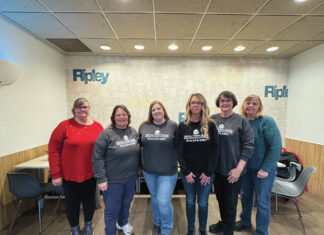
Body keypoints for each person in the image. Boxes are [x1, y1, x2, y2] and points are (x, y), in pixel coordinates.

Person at [48, 98, 103, 235]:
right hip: (69, 175)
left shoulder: (98, 127)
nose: (82, 109)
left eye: (84, 107)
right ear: (74, 110)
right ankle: (75, 229)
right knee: (72, 204)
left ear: (89, 108)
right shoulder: (64, 126)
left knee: (89, 202)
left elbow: (103, 149)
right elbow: (53, 150)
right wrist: (56, 174)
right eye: (79, 107)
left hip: (90, 174)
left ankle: (89, 226)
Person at [234, 95, 282, 235]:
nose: (251, 106)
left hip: (263, 171)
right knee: (245, 196)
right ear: (244, 105)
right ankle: (245, 222)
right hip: (246, 169)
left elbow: (276, 146)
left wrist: (265, 168)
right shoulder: (241, 121)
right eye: (248, 103)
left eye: (254, 103)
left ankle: (261, 231)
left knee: (262, 202)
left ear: (259, 107)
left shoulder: (266, 121)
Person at [209, 91, 254, 235]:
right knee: (220, 200)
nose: (225, 103)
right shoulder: (212, 119)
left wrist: (238, 169)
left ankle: (228, 231)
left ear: (233, 102)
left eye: (228, 100)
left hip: (233, 171)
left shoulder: (241, 120)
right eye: (222, 101)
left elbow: (248, 145)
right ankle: (223, 224)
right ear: (218, 103)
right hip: (217, 170)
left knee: (230, 204)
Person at [92, 105, 140, 235]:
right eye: (118, 115)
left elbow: (138, 152)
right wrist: (101, 179)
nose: (121, 117)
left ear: (128, 117)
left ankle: (123, 223)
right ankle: (110, 231)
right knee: (112, 210)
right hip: (112, 181)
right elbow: (97, 158)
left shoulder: (133, 132)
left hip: (130, 178)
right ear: (113, 118)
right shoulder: (106, 134)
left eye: (124, 114)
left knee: (126, 204)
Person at [176, 93, 219, 235]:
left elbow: (215, 150)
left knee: (202, 203)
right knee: (189, 202)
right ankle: (190, 228)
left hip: (206, 174)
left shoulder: (210, 125)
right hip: (188, 173)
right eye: (193, 102)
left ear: (203, 106)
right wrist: (186, 171)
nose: (195, 105)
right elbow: (179, 151)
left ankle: (202, 229)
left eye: (199, 103)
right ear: (189, 105)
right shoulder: (182, 126)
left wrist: (208, 172)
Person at [139, 101, 178, 235]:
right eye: (153, 109)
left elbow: (180, 147)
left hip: (167, 171)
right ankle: (157, 222)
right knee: (154, 198)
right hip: (149, 170)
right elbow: (139, 147)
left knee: (163, 201)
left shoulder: (173, 126)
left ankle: (166, 228)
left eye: (158, 108)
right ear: (151, 112)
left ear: (163, 110)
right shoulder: (144, 126)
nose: (156, 111)